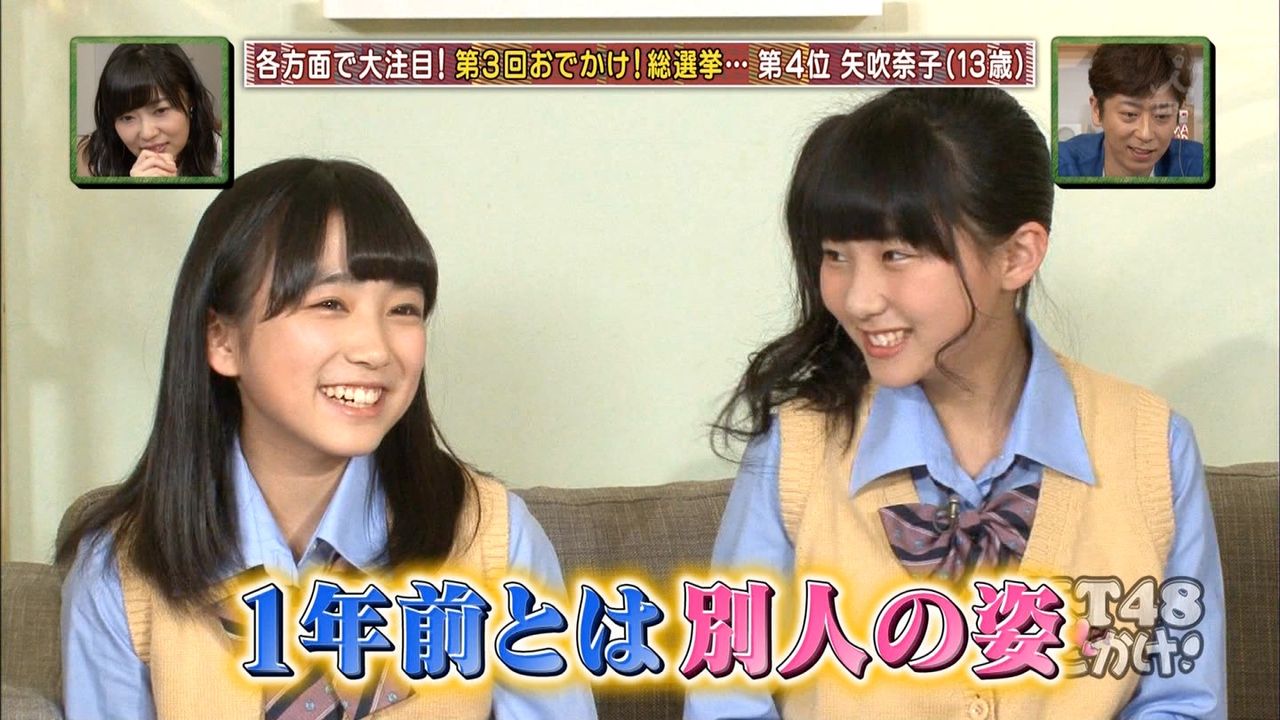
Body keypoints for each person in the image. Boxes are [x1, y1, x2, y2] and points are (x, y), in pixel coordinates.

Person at [685, 89, 1225, 718]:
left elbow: (1181, 702)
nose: (858, 299)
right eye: (835, 256)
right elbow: (727, 700)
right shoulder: (795, 450)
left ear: (1016, 255)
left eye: (896, 255)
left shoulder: (1151, 446)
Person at [58, 158, 596, 719]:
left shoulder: (493, 539)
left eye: (404, 309)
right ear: (223, 340)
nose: (375, 349)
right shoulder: (120, 570)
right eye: (330, 304)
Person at [1058, 43, 1204, 178]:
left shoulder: (1200, 167)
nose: (1145, 134)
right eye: (1130, 114)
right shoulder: (1062, 166)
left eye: (1161, 116)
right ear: (1097, 110)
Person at [76, 43, 222, 178]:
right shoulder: (93, 159)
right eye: (127, 118)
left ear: (191, 101)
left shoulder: (222, 157)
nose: (147, 134)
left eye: (160, 110)